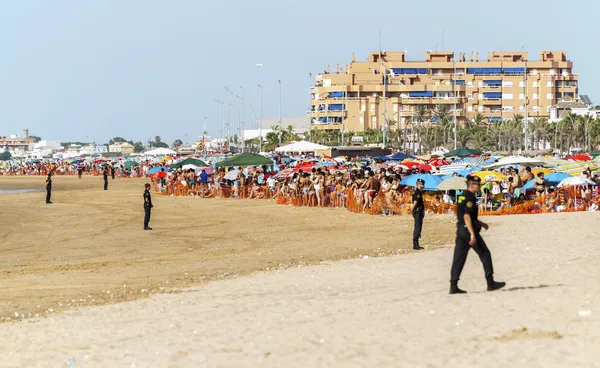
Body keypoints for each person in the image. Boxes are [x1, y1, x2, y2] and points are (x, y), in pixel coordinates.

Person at [450, 175, 505, 294]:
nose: (480, 186)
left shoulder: (462, 196)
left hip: (461, 230)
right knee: (485, 254)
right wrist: (472, 234)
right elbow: (467, 216)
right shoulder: (469, 197)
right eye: (478, 185)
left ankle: (453, 285)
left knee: (458, 258)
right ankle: (490, 282)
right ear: (472, 185)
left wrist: (482, 223)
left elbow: (465, 215)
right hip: (468, 231)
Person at [409, 178, 425, 250]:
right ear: (418, 184)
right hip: (417, 211)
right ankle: (415, 244)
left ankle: (417, 243)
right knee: (417, 228)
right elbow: (415, 202)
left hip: (419, 211)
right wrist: (412, 210)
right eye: (422, 184)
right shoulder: (417, 192)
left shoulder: (419, 192)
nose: (423, 185)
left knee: (419, 227)